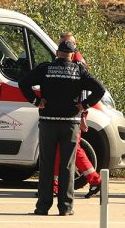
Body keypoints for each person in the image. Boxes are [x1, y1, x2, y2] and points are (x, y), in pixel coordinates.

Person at [19, 40, 105, 216]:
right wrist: (85, 104)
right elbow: (100, 89)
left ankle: (42, 207)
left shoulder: (45, 68)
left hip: (48, 122)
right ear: (72, 55)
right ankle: (65, 207)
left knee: (46, 164)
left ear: (57, 53)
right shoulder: (79, 70)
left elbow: (23, 83)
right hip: (70, 124)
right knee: (67, 165)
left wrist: (36, 101)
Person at [52, 33, 101, 199]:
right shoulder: (73, 60)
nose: (63, 47)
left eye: (66, 44)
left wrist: (83, 114)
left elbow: (84, 90)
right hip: (69, 115)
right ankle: (93, 180)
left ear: (74, 45)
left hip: (73, 115)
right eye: (61, 44)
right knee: (71, 148)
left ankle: (94, 180)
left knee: (71, 149)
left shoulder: (78, 62)